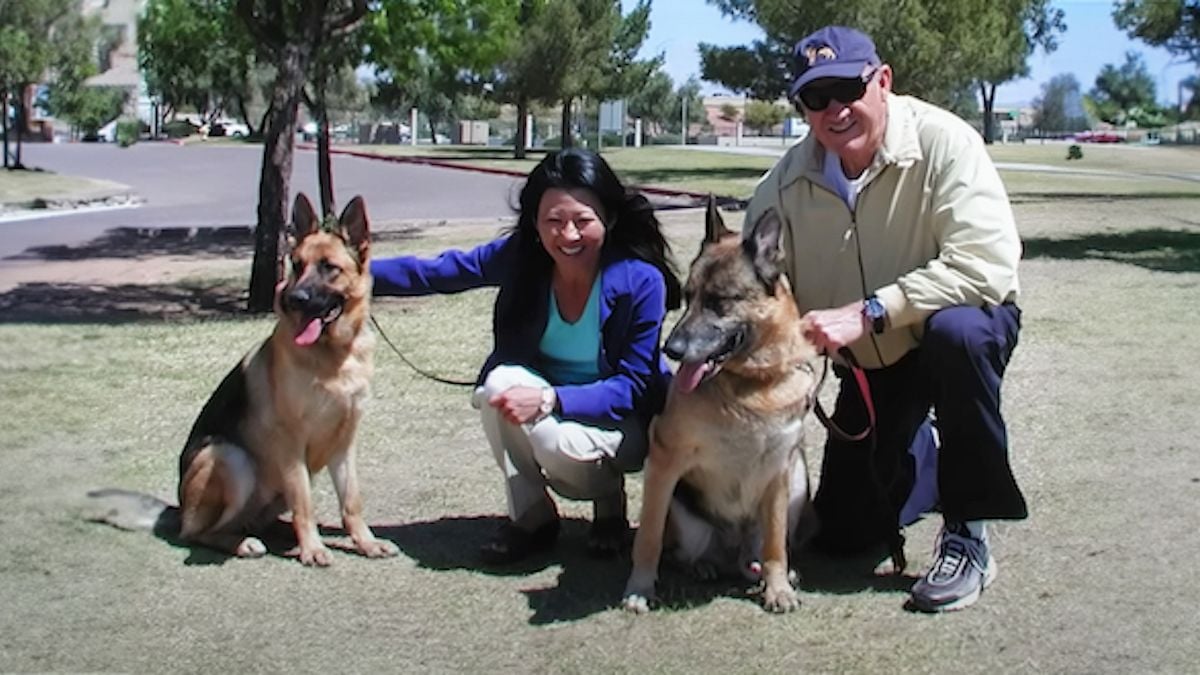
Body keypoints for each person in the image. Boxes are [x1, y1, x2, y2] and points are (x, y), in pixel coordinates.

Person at [742, 26, 1027, 612]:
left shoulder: (946, 141)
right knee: (842, 536)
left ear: (883, 81)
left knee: (960, 334)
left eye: (847, 87)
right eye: (814, 99)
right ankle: (922, 451)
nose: (834, 110)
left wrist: (872, 310)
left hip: (948, 333)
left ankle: (968, 534)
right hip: (872, 368)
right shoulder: (785, 183)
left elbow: (986, 267)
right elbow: (753, 283)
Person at [371, 148, 682, 565]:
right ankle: (532, 517)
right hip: (550, 409)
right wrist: (346, 271)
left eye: (582, 221)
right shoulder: (523, 258)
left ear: (607, 218)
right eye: (553, 221)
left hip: (623, 424)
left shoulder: (640, 281)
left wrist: (551, 400)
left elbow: (633, 387)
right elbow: (437, 271)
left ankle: (609, 503)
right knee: (499, 386)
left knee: (554, 441)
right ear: (535, 223)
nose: (567, 235)